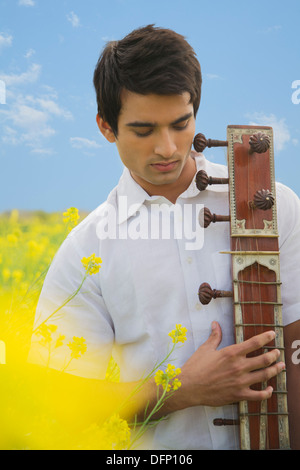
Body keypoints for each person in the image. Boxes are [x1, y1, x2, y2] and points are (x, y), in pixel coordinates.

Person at [28, 25, 300, 450]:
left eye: (181, 123)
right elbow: (58, 402)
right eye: (143, 130)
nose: (169, 148)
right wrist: (177, 391)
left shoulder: (269, 203)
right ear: (105, 127)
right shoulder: (86, 251)